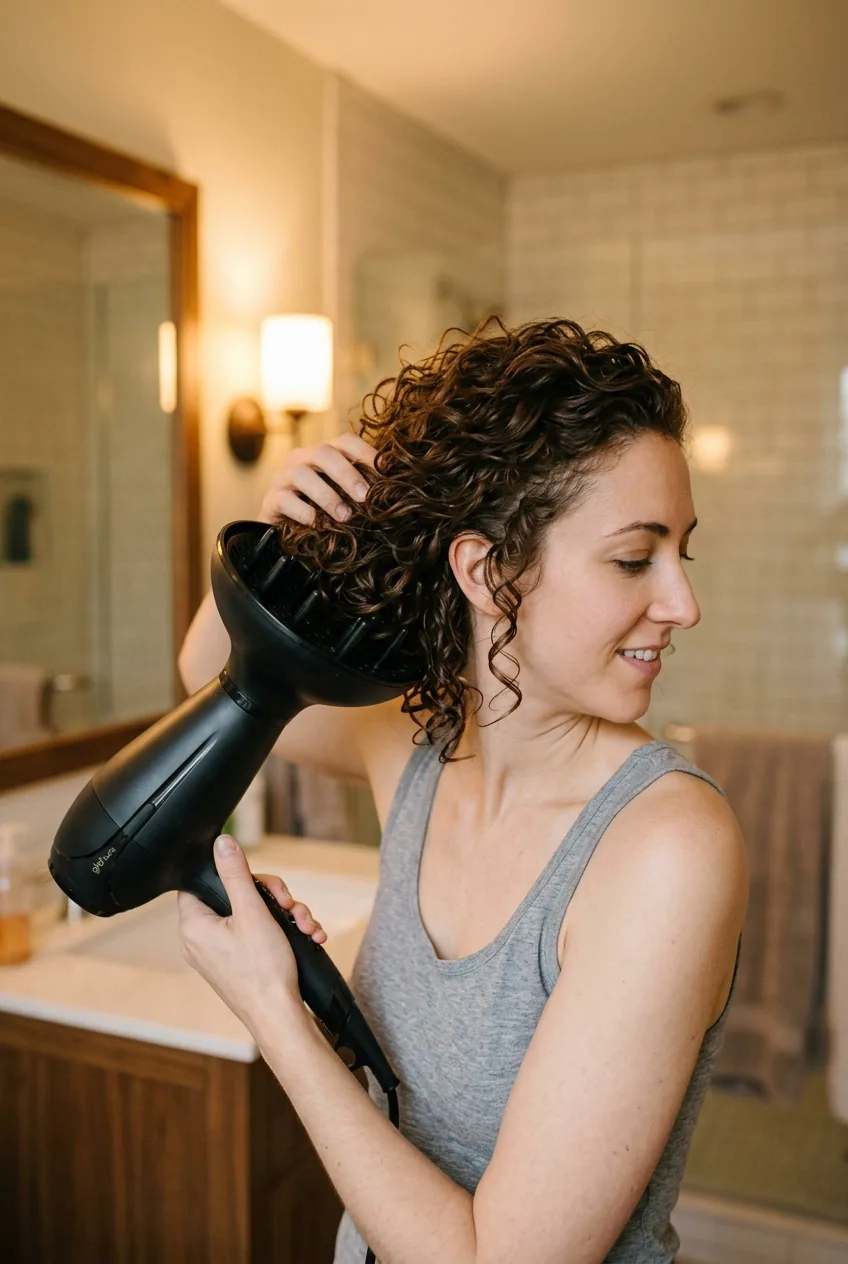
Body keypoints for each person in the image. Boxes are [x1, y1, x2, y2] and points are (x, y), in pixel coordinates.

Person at [176, 318, 749, 1264]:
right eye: (634, 557)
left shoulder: (665, 849)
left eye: (680, 551)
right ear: (486, 573)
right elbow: (214, 682)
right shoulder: (416, 744)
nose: (683, 603)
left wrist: (276, 1013)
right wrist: (277, 541)